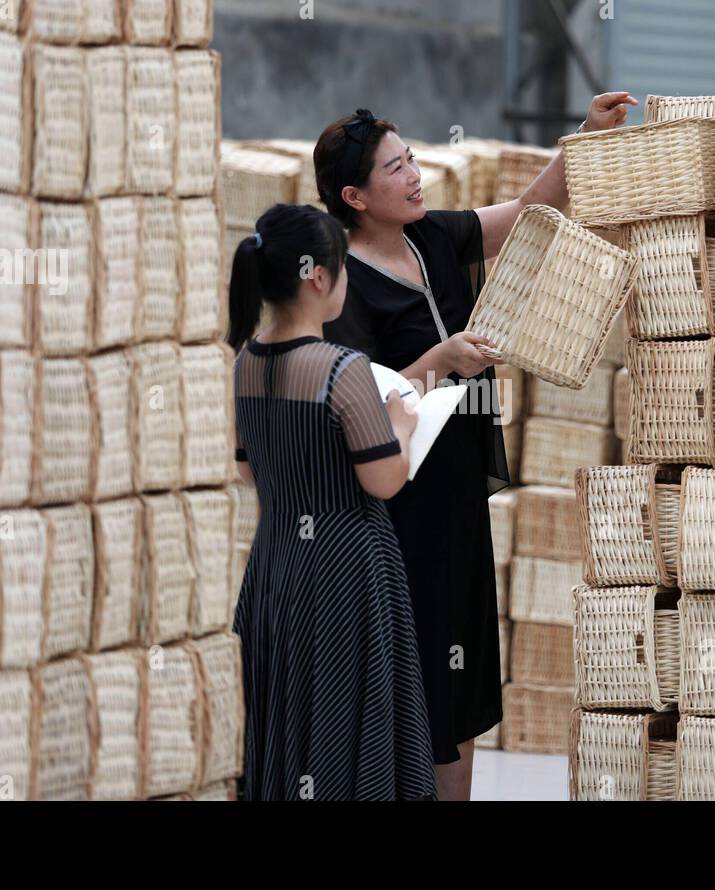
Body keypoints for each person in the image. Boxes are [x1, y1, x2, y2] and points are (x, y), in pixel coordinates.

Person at [314, 93, 637, 800]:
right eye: (395, 168)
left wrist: (581, 138)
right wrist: (442, 358)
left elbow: (524, 217)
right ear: (355, 197)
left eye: (410, 159)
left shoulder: (431, 235)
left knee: (459, 682)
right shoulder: (342, 286)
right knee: (410, 676)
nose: (414, 175)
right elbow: (357, 397)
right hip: (397, 510)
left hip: (456, 497)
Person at [228, 203, 436, 801]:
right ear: (318, 276)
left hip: (275, 569)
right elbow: (384, 481)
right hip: (347, 569)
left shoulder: (244, 362)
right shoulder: (343, 370)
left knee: (284, 714)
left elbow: (247, 470)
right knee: (348, 723)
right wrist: (400, 421)